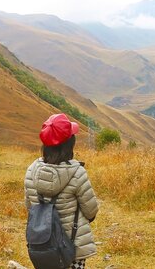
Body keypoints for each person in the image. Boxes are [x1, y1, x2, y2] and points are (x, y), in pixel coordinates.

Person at [24, 113, 100, 269]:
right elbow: (91, 211)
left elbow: (30, 207)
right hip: (72, 249)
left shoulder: (31, 171)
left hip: (42, 246)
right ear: (69, 143)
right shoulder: (77, 173)